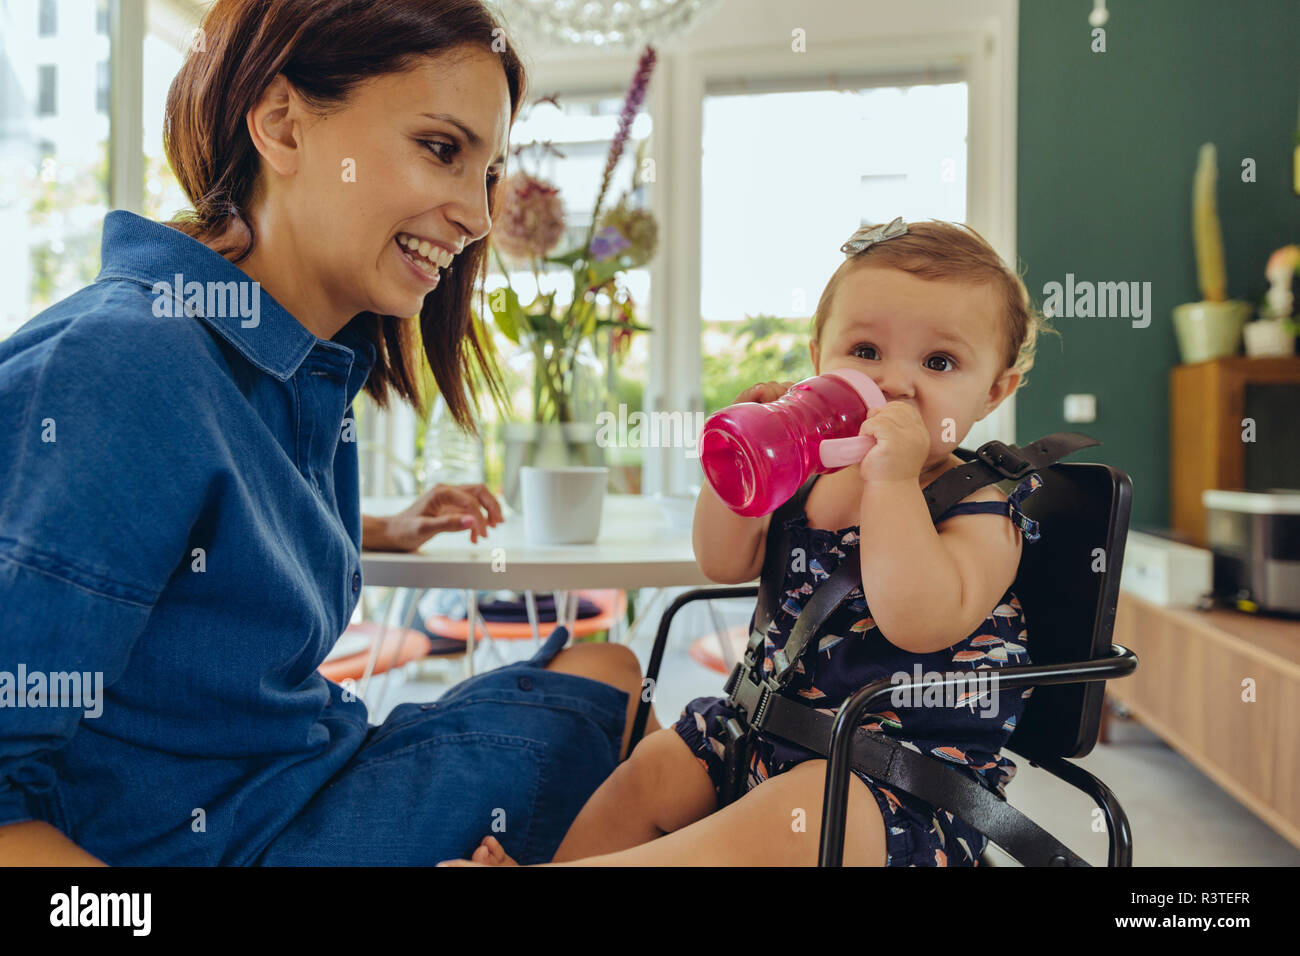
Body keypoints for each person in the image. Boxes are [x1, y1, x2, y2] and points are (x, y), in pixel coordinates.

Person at [0, 0, 659, 867]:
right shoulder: (121, 368)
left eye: (488, 172)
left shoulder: (289, 364)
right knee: (661, 769)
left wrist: (383, 527)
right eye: (441, 148)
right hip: (239, 841)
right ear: (282, 125)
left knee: (612, 675)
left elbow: (194, 544)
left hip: (305, 777)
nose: (478, 216)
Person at [443, 219, 1057, 866]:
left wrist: (895, 482)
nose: (896, 384)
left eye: (939, 362)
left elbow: (916, 618)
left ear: (994, 391)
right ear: (819, 360)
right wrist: (744, 466)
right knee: (657, 767)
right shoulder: (812, 474)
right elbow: (722, 559)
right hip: (764, 732)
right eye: (867, 352)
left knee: (803, 816)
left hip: (902, 785)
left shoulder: (981, 507)